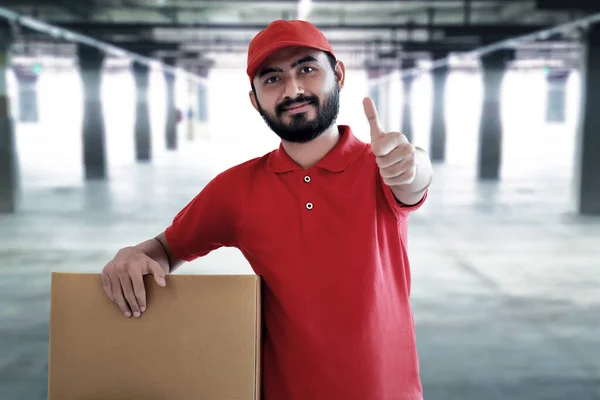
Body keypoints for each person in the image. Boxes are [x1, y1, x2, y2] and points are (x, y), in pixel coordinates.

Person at [101, 19, 433, 400]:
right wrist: (133, 256)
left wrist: (411, 163)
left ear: (338, 74)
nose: (293, 90)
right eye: (272, 79)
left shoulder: (380, 167)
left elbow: (413, 179)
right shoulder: (237, 189)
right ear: (255, 99)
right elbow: (166, 248)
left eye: (307, 69)